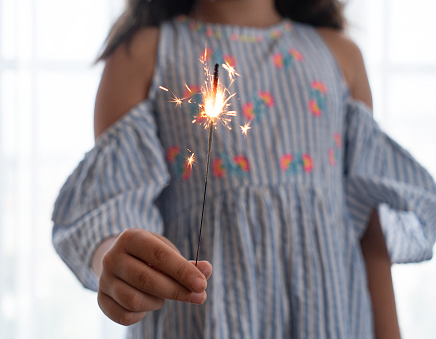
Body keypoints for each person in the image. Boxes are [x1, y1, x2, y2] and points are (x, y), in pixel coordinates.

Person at [51, 0, 436, 338]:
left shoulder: (340, 57)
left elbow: (368, 232)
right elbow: (115, 211)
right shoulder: (143, 55)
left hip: (334, 320)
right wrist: (114, 262)